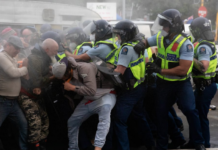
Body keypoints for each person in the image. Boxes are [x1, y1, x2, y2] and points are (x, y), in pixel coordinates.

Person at [140, 9, 205, 150]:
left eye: (165, 26)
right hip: (164, 84)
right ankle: (162, 145)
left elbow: (182, 69)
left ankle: (198, 142)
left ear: (174, 26)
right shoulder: (159, 37)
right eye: (162, 25)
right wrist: (139, 44)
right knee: (161, 112)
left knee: (190, 110)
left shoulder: (185, 44)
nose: (163, 28)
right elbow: (145, 42)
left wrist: (159, 70)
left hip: (181, 84)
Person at [52, 57, 116, 150]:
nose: (63, 80)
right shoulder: (67, 70)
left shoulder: (84, 68)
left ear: (66, 73)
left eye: (63, 78)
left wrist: (72, 88)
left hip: (106, 94)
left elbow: (91, 90)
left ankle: (98, 147)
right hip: (89, 99)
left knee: (104, 117)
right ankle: (73, 148)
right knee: (72, 121)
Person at [112, 20, 155, 150]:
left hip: (130, 91)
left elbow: (119, 72)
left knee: (119, 120)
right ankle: (150, 144)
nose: (117, 38)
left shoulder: (126, 49)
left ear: (125, 34)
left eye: (118, 35)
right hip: (140, 87)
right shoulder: (138, 45)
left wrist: (103, 70)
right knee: (139, 117)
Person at [18, 38, 59, 150]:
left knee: (45, 121)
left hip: (37, 95)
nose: (56, 53)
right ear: (46, 49)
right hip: (27, 95)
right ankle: (34, 147)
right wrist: (53, 77)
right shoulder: (36, 59)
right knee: (35, 123)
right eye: (54, 50)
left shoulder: (43, 58)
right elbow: (37, 81)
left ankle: (41, 145)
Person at [189, 17, 217, 148]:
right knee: (197, 114)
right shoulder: (207, 44)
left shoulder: (203, 47)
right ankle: (195, 141)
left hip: (205, 86)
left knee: (200, 116)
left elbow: (203, 66)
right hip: (205, 85)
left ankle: (204, 143)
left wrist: (188, 57)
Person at [0, 36, 28, 150]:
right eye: (16, 48)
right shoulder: (1, 56)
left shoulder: (10, 57)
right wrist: (26, 68)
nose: (18, 51)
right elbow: (13, 72)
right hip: (3, 101)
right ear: (7, 45)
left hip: (13, 102)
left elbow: (15, 68)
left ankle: (23, 148)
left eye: (19, 49)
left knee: (23, 125)